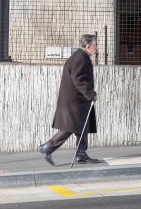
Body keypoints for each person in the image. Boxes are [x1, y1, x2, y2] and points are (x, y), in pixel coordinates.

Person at [39, 33, 100, 165]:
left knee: (82, 127)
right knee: (70, 127)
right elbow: (78, 78)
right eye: (95, 45)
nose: (96, 48)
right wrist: (90, 93)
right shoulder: (81, 58)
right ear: (88, 46)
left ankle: (81, 154)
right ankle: (47, 147)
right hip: (75, 102)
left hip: (77, 101)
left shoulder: (80, 56)